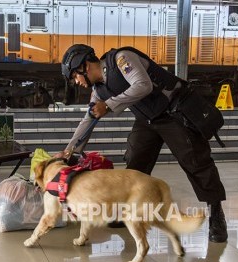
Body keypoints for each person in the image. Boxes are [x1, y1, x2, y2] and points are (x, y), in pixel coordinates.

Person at [60, 44, 228, 243]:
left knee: (196, 163)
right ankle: (129, 213)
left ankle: (216, 215)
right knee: (135, 164)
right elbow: (89, 119)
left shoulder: (121, 60)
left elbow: (143, 85)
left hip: (174, 112)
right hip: (148, 120)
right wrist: (69, 152)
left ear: (84, 66)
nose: (76, 82)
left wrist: (109, 105)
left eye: (74, 76)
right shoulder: (98, 91)